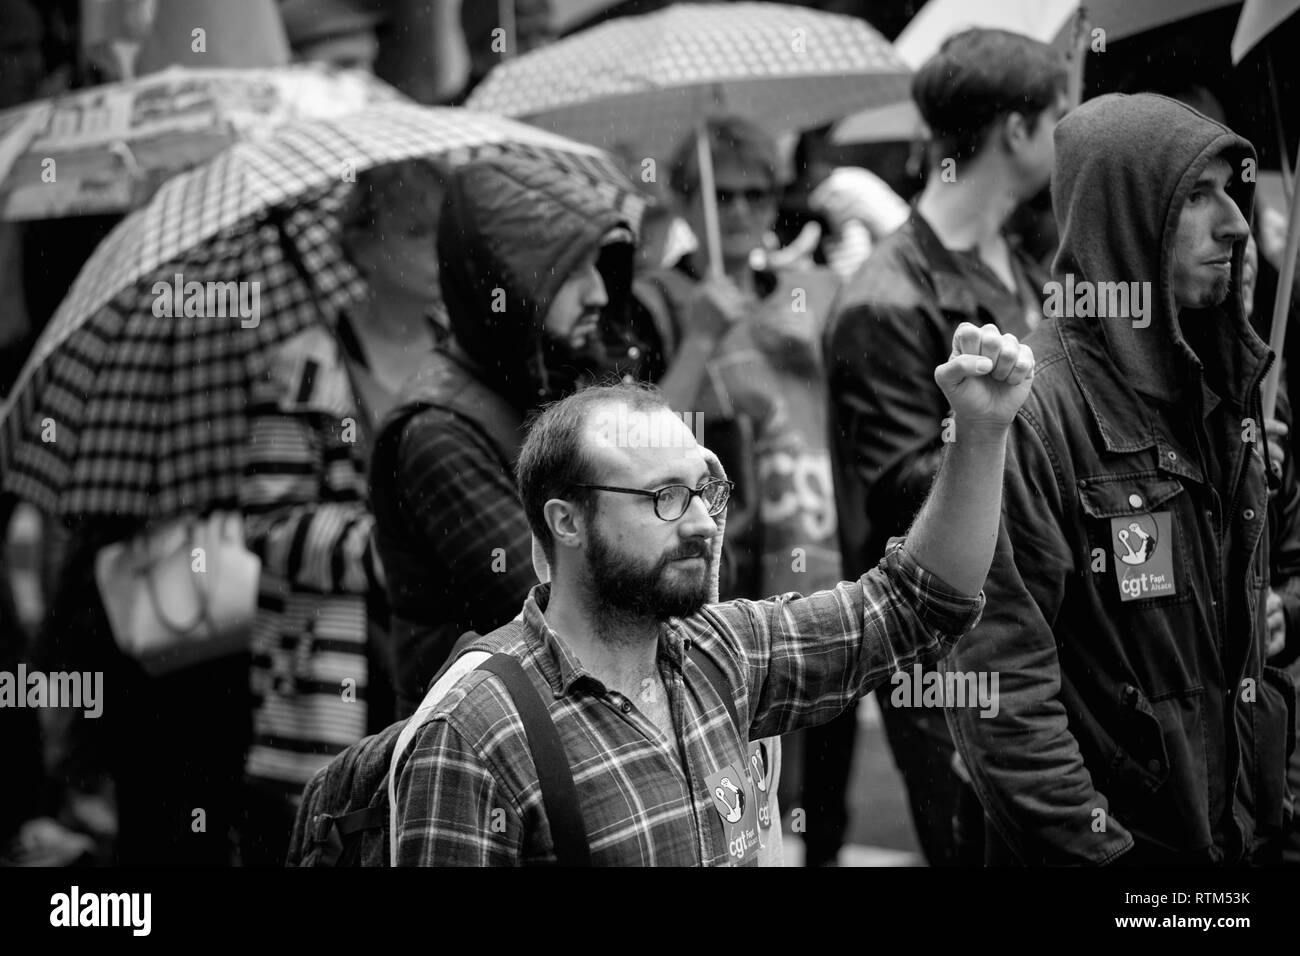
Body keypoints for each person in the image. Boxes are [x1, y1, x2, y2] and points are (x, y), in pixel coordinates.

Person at [390, 321, 1032, 865]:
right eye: (665, 497)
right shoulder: (474, 734)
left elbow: (918, 603)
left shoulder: (725, 652)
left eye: (705, 491)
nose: (703, 523)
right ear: (568, 522)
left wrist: (979, 433)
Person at [946, 92, 1300, 866]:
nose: (1237, 223)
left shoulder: (1236, 395)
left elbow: (1287, 589)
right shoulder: (1030, 417)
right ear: (1126, 220)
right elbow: (1003, 700)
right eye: (1196, 196)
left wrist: (1276, 611)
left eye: (1231, 193)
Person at [825, 28, 1068, 866]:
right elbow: (904, 492)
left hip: (1045, 627)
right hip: (948, 662)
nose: (1065, 131)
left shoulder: (1034, 259)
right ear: (1014, 130)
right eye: (1056, 113)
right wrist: (1015, 431)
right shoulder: (884, 300)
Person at [368, 152, 639, 723]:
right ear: (507, 282)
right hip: (476, 768)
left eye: (600, 266)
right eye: (572, 271)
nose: (598, 294)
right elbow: (560, 612)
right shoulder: (437, 431)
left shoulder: (548, 383)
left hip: (552, 739)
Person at [236, 159, 448, 865]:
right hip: (334, 670)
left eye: (442, 229)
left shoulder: (466, 356)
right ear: (362, 245)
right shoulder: (303, 366)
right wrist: (387, 547)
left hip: (444, 649)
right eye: (413, 231)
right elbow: (268, 526)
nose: (433, 247)